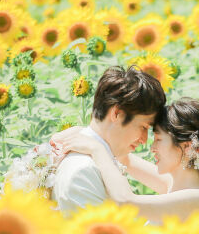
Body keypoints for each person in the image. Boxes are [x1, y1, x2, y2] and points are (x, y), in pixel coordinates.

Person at [50, 97, 199, 223]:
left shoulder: (198, 200)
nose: (151, 148)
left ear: (187, 146)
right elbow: (125, 159)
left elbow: (126, 202)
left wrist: (95, 148)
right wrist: (83, 133)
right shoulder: (172, 185)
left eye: (158, 139)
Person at [52, 65, 166, 213]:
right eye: (143, 127)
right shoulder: (83, 171)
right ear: (117, 113)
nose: (145, 140)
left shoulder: (100, 156)